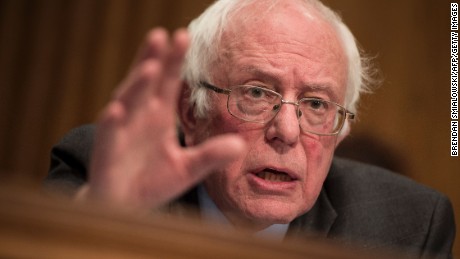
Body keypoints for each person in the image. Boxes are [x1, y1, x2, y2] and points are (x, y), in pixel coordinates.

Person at [45, 0, 455, 257]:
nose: (287, 131)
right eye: (257, 93)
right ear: (191, 110)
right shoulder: (103, 172)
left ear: (341, 129)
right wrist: (106, 218)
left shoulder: (407, 227)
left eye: (316, 104)